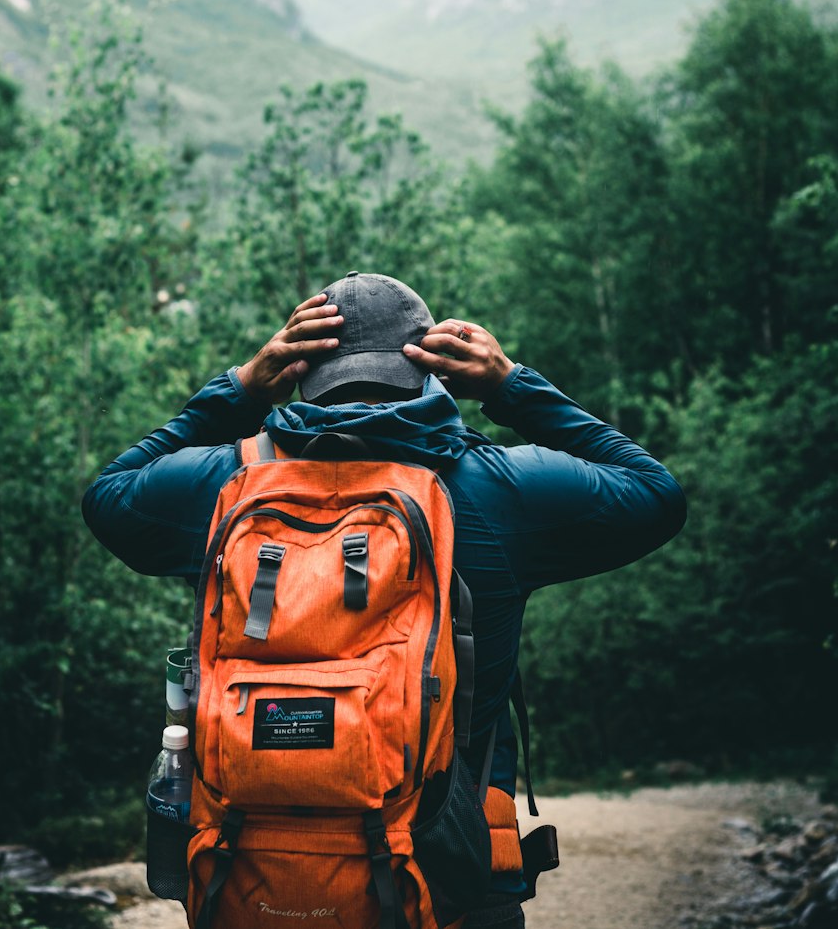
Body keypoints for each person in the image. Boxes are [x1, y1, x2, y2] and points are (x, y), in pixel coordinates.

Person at [83, 272, 686, 928]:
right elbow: (655, 496)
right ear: (429, 368)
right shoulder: (500, 488)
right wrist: (511, 386)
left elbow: (108, 497)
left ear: (300, 368)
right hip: (452, 878)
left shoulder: (225, 485)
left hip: (251, 874)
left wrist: (239, 389)